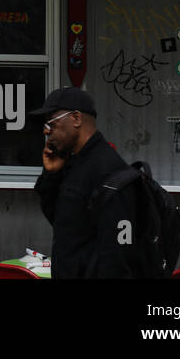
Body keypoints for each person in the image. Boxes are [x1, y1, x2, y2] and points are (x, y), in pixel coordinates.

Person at [32, 87, 137, 279]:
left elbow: (118, 255)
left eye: (52, 123)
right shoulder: (74, 162)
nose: (47, 131)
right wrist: (51, 174)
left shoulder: (108, 170)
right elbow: (62, 222)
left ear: (77, 119)